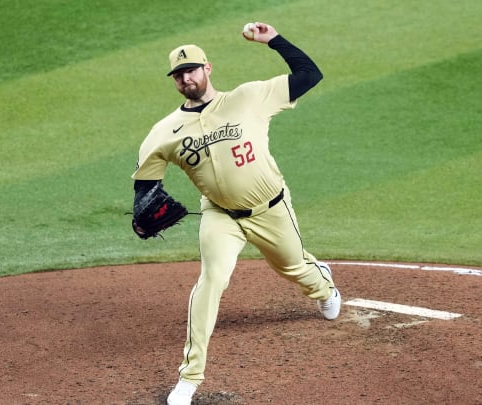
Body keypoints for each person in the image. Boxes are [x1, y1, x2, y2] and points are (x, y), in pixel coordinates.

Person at [131, 22, 341, 405]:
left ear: (207, 68)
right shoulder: (165, 131)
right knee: (211, 281)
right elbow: (145, 180)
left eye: (191, 69)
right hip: (219, 216)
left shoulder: (250, 97)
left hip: (271, 208)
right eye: (178, 74)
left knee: (294, 268)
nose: (185, 78)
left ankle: (322, 283)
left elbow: (310, 75)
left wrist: (273, 40)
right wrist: (140, 208)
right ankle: (189, 380)